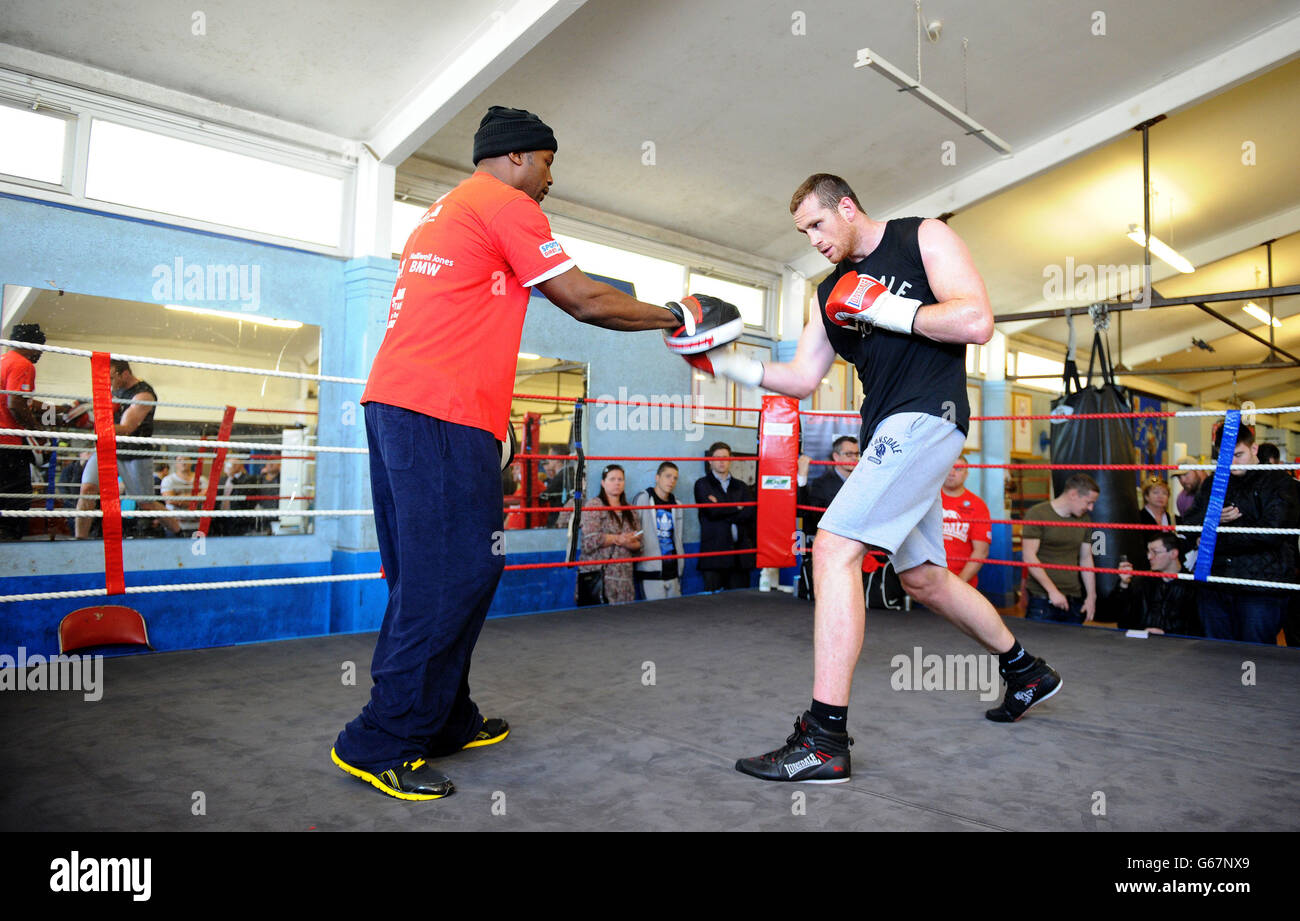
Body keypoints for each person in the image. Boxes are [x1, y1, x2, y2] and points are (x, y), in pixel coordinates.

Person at [330, 105, 742, 800]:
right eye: (549, 163)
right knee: (446, 577)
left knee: (454, 570)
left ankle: (443, 715)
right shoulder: (506, 203)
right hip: (437, 412)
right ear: (519, 157)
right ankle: (380, 737)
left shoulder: (444, 209)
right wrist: (677, 316)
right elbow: (580, 299)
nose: (551, 180)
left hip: (407, 406)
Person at [689, 173, 1062, 784]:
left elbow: (976, 321)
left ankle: (825, 739)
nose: (811, 239)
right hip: (886, 433)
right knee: (923, 579)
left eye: (816, 224)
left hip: (926, 416)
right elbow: (803, 377)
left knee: (832, 548)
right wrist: (726, 362)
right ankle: (1025, 670)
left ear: (848, 208)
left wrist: (886, 307)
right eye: (802, 231)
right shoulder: (827, 292)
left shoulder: (922, 237)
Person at [1184, 426, 1299, 644]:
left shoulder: (1279, 482)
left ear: (1254, 448)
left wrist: (1211, 539)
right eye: (1225, 457)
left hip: (1259, 586)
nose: (1232, 463)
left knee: (1255, 656)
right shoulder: (1213, 483)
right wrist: (1213, 520)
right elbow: (1188, 523)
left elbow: (1272, 534)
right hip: (1215, 584)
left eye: (1238, 455)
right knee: (1217, 655)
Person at [75, 360, 181, 539]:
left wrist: (90, 423)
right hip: (108, 449)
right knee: (87, 489)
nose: (109, 383)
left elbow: (127, 427)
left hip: (134, 453)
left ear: (125, 374)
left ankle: (179, 534)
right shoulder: (112, 391)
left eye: (111, 378)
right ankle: (79, 539)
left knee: (146, 503)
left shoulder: (143, 394)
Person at [1021, 473, 1100, 624]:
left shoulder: (1084, 520)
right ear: (1073, 494)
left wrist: (1091, 597)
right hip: (1042, 598)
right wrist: (1052, 591)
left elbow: (1086, 558)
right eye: (1088, 502)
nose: (1091, 508)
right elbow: (1029, 556)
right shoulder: (1038, 514)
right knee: (1038, 646)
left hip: (1073, 597)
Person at [0, 324, 45, 541]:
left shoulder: (3, 361)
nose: (40, 354)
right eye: (39, 348)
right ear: (30, 346)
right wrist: (37, 431)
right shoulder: (23, 364)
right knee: (17, 498)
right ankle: (10, 543)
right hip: (8, 443)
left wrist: (56, 410)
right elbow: (15, 403)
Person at [693, 442, 756, 591]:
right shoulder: (702, 484)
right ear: (710, 460)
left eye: (725, 457)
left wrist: (721, 506)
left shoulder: (742, 486)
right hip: (714, 555)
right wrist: (736, 507)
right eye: (717, 457)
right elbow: (711, 512)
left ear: (731, 459)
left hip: (739, 558)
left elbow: (748, 514)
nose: (721, 461)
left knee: (739, 604)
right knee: (713, 607)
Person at [574, 464, 641, 604]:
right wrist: (620, 539)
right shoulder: (594, 506)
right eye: (612, 479)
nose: (617, 483)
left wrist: (628, 541)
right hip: (600, 578)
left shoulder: (631, 511)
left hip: (625, 582)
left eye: (620, 479)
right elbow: (589, 541)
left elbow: (639, 544)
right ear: (603, 483)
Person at [1109, 534, 1200, 635]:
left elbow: (1197, 628)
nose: (1149, 557)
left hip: (1177, 646)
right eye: (1148, 551)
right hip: (1139, 645)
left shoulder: (1192, 586)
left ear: (1173, 554)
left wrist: (1167, 633)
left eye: (1155, 552)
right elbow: (1115, 615)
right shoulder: (1142, 582)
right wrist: (1123, 585)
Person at [633, 462, 684, 599]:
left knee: (676, 614)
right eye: (668, 476)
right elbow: (635, 532)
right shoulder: (643, 499)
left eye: (675, 478)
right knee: (655, 617)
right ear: (657, 477)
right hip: (650, 570)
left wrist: (680, 565)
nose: (671, 481)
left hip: (673, 570)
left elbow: (678, 536)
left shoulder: (677, 504)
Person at [941, 458, 991, 588]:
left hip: (962, 583)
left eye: (958, 469)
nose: (952, 473)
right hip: (927, 580)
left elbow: (981, 551)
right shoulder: (927, 500)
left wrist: (959, 584)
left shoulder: (977, 505)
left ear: (966, 473)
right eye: (949, 467)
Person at [1135, 477, 1175, 570]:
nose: (1160, 496)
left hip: (1168, 568)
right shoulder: (1139, 518)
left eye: (1164, 493)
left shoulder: (1173, 518)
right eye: (1155, 492)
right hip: (1146, 567)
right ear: (1146, 496)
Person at [539, 447, 578, 527]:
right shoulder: (569, 472)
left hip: (557, 521)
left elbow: (543, 497)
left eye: (549, 456)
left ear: (556, 459)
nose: (547, 459)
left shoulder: (561, 477)